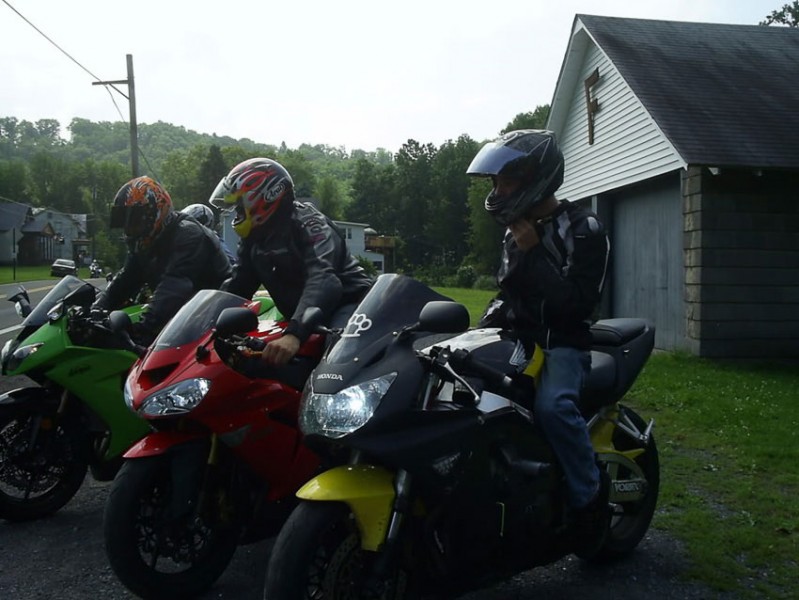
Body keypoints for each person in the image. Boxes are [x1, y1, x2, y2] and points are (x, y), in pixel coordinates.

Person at [466, 129, 611, 555]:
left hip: (564, 345)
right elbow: (508, 292)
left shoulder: (584, 228)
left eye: (507, 182)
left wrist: (533, 252)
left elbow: (576, 303)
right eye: (496, 182)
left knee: (553, 408)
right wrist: (476, 332)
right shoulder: (516, 232)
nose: (498, 192)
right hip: (521, 342)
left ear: (537, 179)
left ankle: (590, 500)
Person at [210, 157, 373, 366]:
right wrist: (206, 324)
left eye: (239, 206)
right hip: (302, 318)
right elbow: (236, 286)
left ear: (265, 196)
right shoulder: (255, 238)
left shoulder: (309, 223)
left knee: (336, 360)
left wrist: (295, 334)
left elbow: (324, 278)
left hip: (351, 308)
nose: (236, 213)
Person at [92, 176, 233, 346]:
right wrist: (95, 310)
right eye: (126, 223)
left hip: (215, 321)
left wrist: (142, 327)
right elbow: (124, 281)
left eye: (134, 221)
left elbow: (174, 285)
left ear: (155, 212)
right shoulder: (147, 243)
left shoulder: (188, 234)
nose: (129, 229)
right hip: (186, 318)